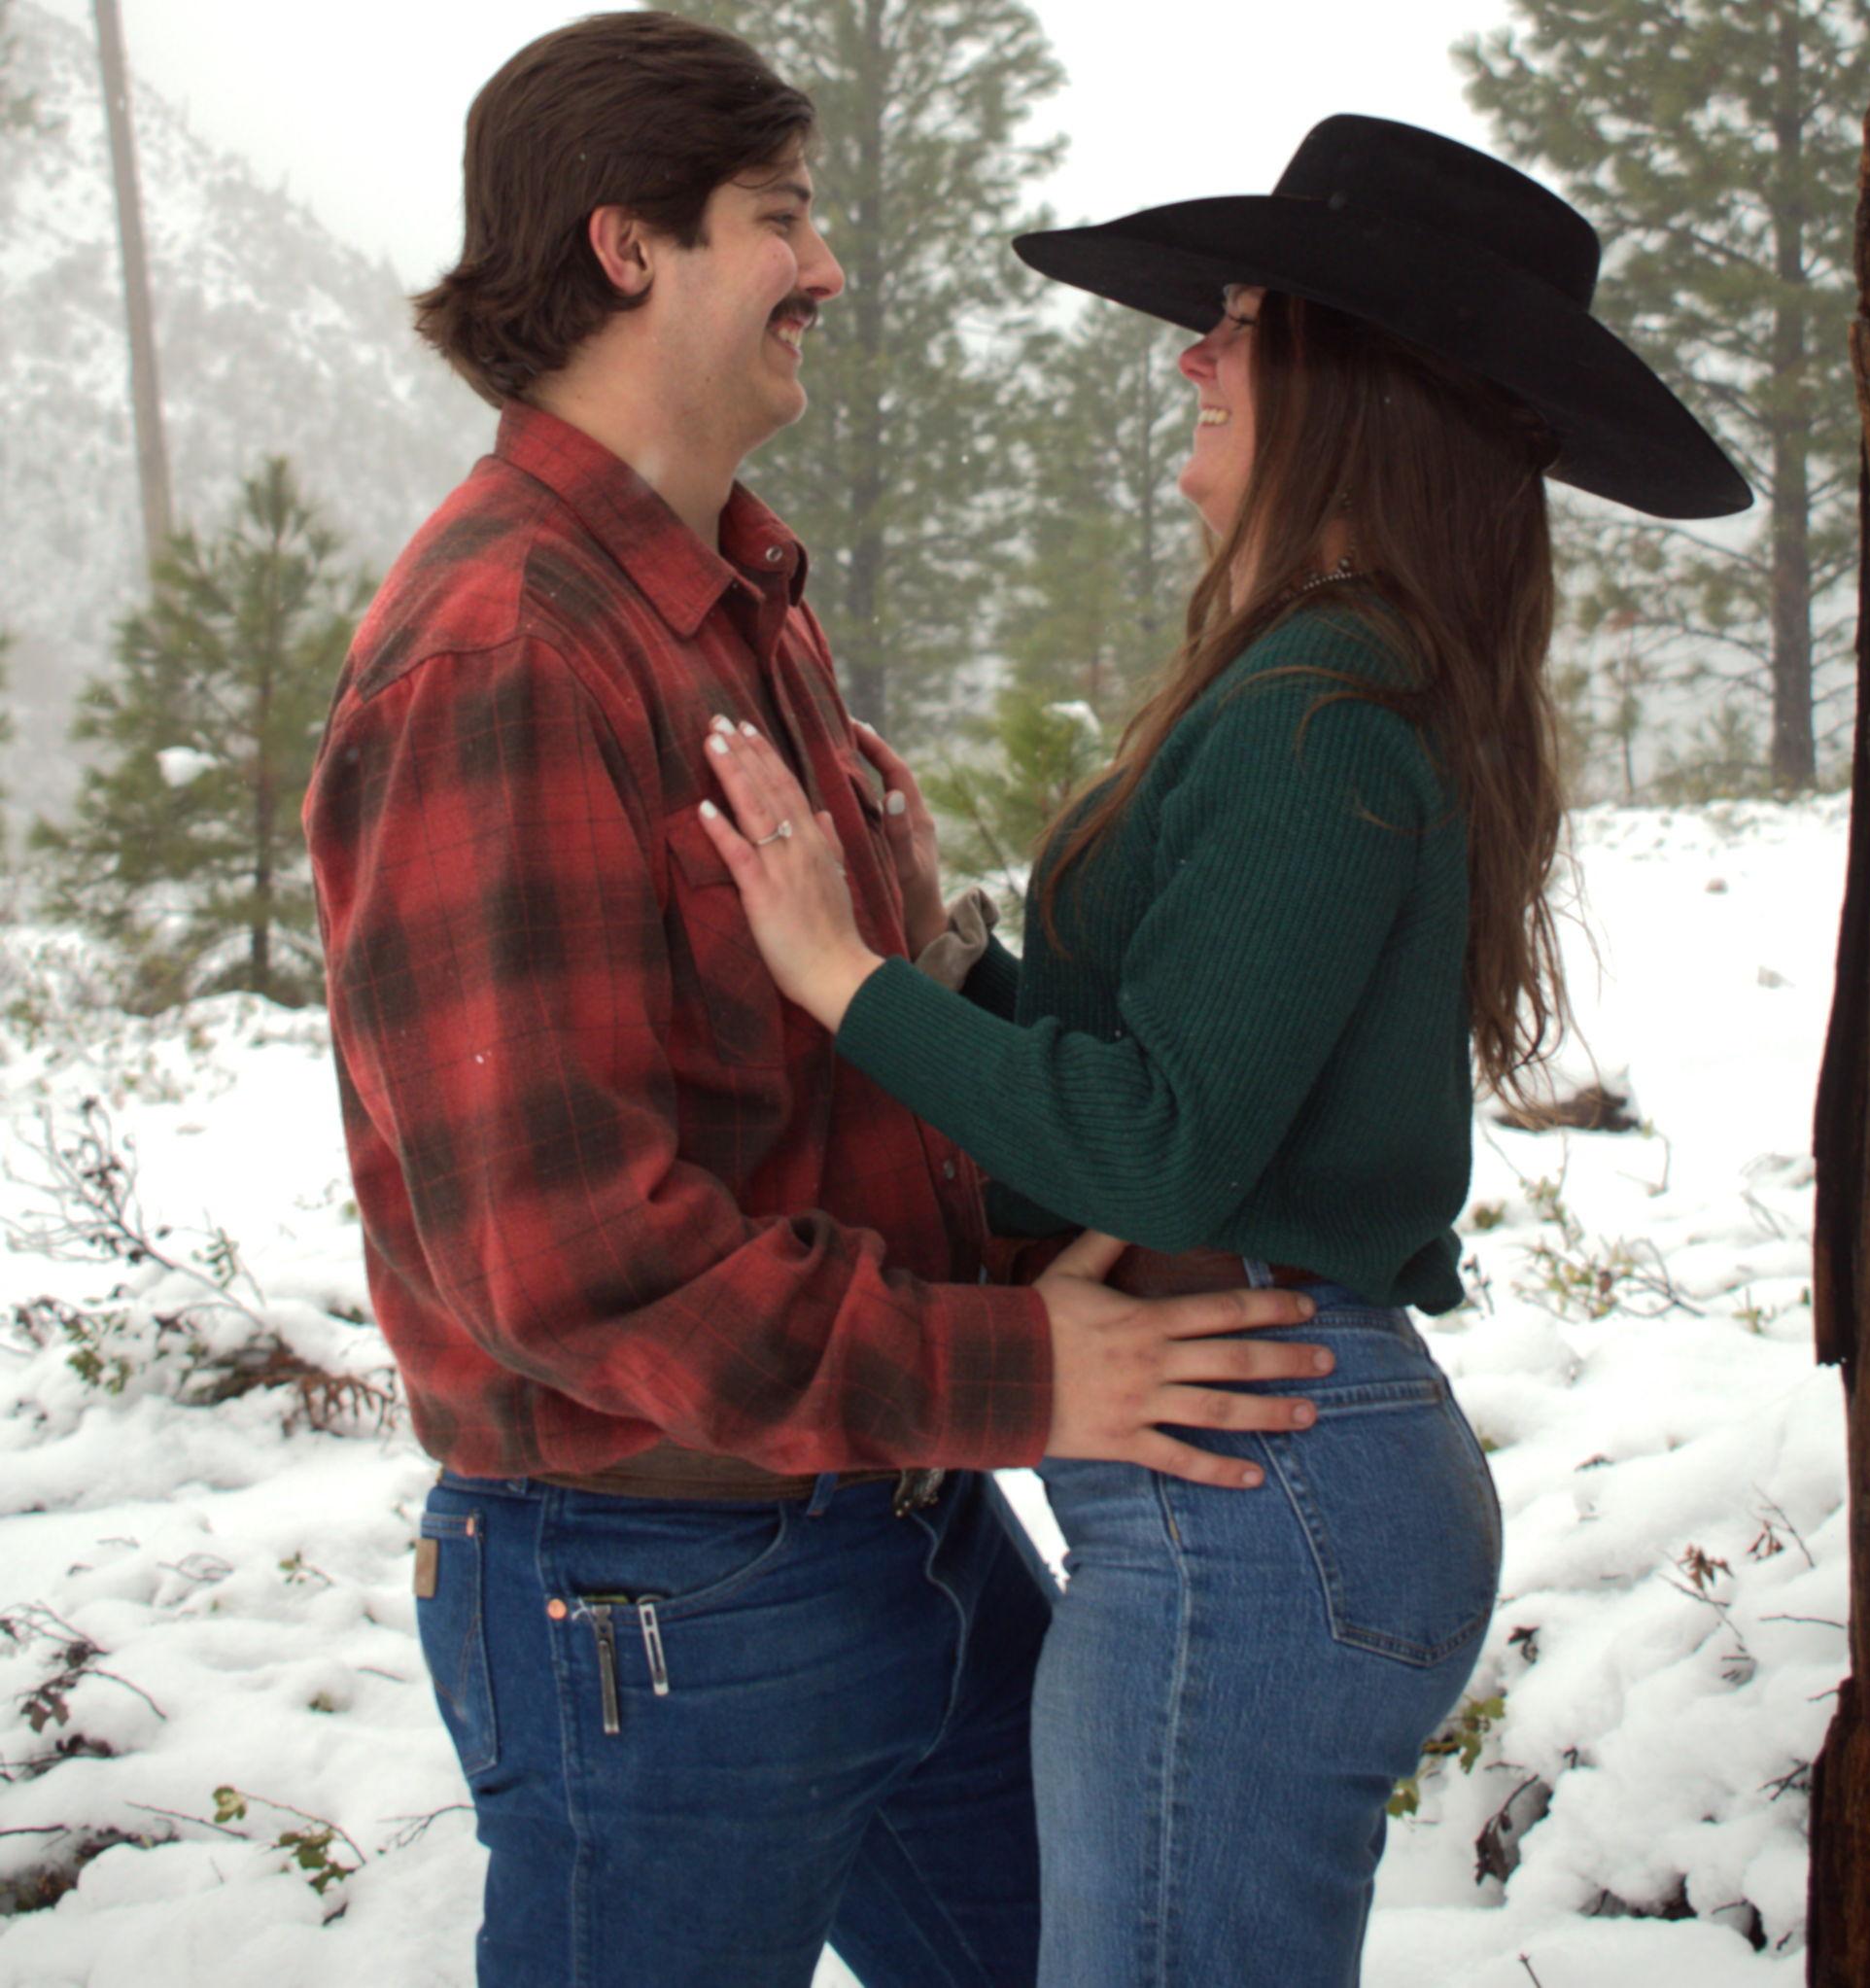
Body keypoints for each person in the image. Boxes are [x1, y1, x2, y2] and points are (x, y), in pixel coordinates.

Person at [301, 16, 1333, 1988]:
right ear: (629, 247)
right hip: (666, 1593)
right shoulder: (505, 652)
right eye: (779, 216)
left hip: (895, 1519)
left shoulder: (731, 602)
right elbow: (567, 1256)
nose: (830, 266)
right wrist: (1026, 1370)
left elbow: (826, 1079)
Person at [696, 115, 1751, 1986]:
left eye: (1241, 324)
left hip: (1262, 1494)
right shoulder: (1330, 678)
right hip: (1272, 1471)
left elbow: (1164, 1144)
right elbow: (1191, 1063)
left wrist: (842, 978)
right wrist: (939, 954)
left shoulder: (1320, 709)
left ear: (1354, 384)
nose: (1191, 356)